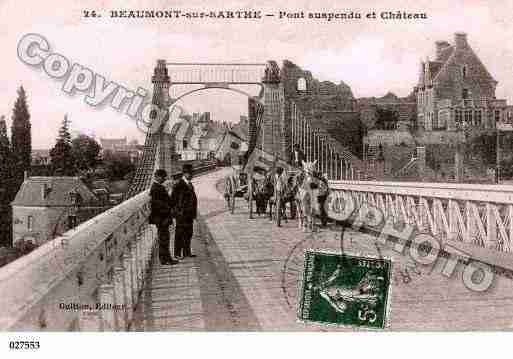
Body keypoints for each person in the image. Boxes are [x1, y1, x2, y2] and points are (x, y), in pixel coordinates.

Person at [149, 169, 179, 265]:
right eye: (163, 177)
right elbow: (158, 205)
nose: (164, 179)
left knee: (164, 238)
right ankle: (165, 259)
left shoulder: (158, 187)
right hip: (162, 218)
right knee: (164, 239)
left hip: (162, 218)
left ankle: (165, 259)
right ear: (157, 176)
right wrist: (169, 210)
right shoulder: (156, 188)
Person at [170, 163, 198, 259]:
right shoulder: (178, 185)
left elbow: (193, 200)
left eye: (192, 173)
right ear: (184, 174)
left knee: (189, 233)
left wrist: (194, 213)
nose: (191, 175)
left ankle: (187, 252)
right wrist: (178, 213)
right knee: (180, 233)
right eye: (189, 173)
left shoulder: (190, 184)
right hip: (181, 215)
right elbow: (173, 200)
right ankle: (177, 253)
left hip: (189, 214)